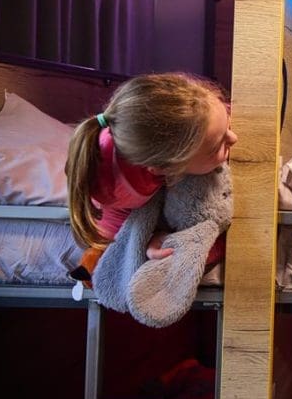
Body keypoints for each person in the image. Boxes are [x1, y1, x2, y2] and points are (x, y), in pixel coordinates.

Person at [65, 72, 237, 264]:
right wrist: (147, 240)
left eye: (228, 125)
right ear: (167, 168)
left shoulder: (193, 104)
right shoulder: (119, 188)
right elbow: (116, 227)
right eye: (216, 147)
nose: (234, 138)